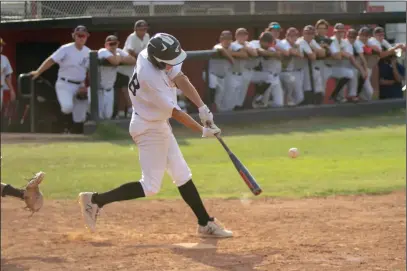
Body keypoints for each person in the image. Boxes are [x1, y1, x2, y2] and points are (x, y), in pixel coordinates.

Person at [78, 33, 233, 238]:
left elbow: (180, 78)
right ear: (157, 61)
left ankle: (205, 223)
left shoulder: (152, 53)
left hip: (157, 124)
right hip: (148, 128)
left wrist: (202, 107)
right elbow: (177, 113)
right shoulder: (149, 78)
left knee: (182, 174)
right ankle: (95, 201)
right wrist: (202, 130)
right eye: (168, 63)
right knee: (151, 186)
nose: (172, 66)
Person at [30, 25, 91, 134]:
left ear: (87, 37)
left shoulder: (88, 52)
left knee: (80, 117)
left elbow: (92, 71)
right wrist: (39, 71)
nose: (81, 38)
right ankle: (61, 129)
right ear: (74, 36)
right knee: (67, 107)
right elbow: (51, 60)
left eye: (84, 36)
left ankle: (73, 135)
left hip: (80, 85)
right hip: (65, 83)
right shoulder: (66, 49)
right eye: (79, 35)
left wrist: (86, 86)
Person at [116, 20, 150, 119]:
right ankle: (123, 112)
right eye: (140, 29)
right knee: (123, 90)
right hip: (124, 67)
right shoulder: (132, 37)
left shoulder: (147, 36)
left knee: (136, 89)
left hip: (136, 67)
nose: (143, 31)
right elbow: (131, 51)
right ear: (136, 29)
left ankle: (135, 110)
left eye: (144, 29)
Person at [97, 35, 136, 119]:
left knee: (108, 115)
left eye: (115, 43)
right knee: (99, 116)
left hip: (109, 89)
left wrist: (118, 57)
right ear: (106, 45)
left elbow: (133, 60)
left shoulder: (117, 51)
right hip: (98, 90)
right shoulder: (102, 51)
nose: (113, 46)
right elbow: (114, 62)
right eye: (110, 44)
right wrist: (119, 56)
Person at [329, 23, 366, 103]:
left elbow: (350, 56)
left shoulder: (344, 42)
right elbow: (337, 56)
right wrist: (342, 53)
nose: (340, 33)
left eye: (342, 32)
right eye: (338, 32)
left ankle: (340, 95)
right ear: (334, 32)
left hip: (338, 67)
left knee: (350, 73)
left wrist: (362, 69)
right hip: (328, 66)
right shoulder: (331, 40)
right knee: (320, 89)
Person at [249, 31, 284, 108]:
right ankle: (259, 99)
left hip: (275, 76)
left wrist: (276, 52)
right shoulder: (254, 43)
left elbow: (281, 56)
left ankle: (263, 103)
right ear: (261, 40)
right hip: (250, 72)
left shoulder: (272, 47)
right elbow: (261, 52)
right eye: (266, 42)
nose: (268, 44)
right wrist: (274, 54)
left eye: (269, 42)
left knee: (279, 104)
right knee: (269, 77)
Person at [205, 30, 235, 111]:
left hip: (222, 75)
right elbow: (220, 49)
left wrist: (232, 54)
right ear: (221, 39)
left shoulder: (232, 47)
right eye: (224, 39)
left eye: (229, 39)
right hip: (211, 73)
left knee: (220, 95)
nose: (227, 41)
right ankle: (209, 108)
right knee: (212, 87)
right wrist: (231, 59)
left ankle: (217, 111)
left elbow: (244, 51)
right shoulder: (217, 46)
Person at [232, 28, 257, 110]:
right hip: (233, 73)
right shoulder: (233, 44)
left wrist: (246, 48)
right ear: (236, 36)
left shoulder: (249, 44)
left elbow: (255, 53)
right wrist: (247, 49)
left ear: (247, 36)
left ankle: (238, 108)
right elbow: (245, 54)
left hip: (245, 72)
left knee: (242, 93)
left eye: (244, 35)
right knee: (232, 94)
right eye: (240, 34)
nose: (242, 36)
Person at [345, 29, 372, 102]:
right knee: (354, 73)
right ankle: (352, 96)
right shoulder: (346, 43)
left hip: (354, 67)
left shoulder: (355, 43)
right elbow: (353, 60)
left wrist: (365, 70)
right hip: (343, 66)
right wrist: (362, 70)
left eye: (353, 37)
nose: (351, 38)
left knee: (369, 91)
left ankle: (356, 96)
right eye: (349, 37)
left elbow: (362, 57)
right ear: (346, 36)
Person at [279, 27, 303, 106]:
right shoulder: (283, 42)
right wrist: (295, 51)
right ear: (286, 36)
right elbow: (290, 52)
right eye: (290, 35)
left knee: (300, 98)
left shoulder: (296, 45)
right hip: (279, 72)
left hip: (289, 72)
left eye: (294, 35)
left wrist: (296, 51)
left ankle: (287, 103)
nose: (292, 37)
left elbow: (300, 55)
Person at [0, 37, 16, 110]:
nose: (1, 47)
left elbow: (7, 75)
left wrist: (11, 90)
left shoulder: (4, 58)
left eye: (1, 46)